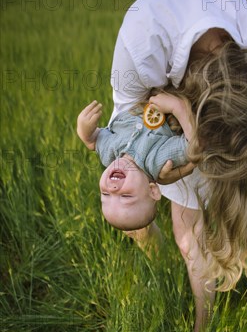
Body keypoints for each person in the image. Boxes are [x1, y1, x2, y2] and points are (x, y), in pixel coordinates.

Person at [107, 0, 247, 332]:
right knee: (132, 214)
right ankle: (159, 262)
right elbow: (125, 128)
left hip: (191, 119)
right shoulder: (142, 41)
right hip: (158, 118)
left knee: (188, 236)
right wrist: (150, 169)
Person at [76, 96, 194, 231]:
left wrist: (85, 132)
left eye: (105, 194)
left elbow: (93, 140)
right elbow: (193, 146)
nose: (112, 189)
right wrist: (178, 108)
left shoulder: (108, 153)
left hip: (134, 97)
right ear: (152, 190)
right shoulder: (157, 160)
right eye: (125, 196)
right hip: (164, 96)